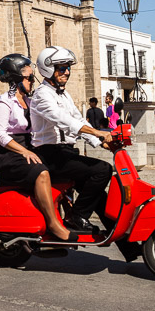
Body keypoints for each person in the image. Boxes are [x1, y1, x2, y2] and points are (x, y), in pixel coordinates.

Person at [30, 46, 114, 233]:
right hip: (50, 155)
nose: (67, 72)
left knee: (99, 196)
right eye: (62, 67)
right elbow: (62, 119)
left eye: (68, 67)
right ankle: (76, 216)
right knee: (103, 170)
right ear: (48, 68)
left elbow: (78, 119)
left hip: (66, 153)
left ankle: (128, 243)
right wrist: (98, 133)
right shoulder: (42, 94)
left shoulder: (64, 93)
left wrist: (102, 142)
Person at [0, 54, 73, 241]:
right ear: (16, 79)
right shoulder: (3, 102)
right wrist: (24, 151)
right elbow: (0, 135)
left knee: (62, 166)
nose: (32, 81)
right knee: (42, 173)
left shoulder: (29, 101)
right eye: (29, 77)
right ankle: (53, 224)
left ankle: (70, 215)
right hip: (8, 152)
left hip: (28, 147)